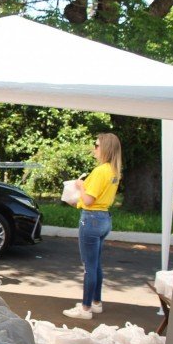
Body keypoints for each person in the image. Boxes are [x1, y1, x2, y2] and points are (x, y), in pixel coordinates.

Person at [63, 132, 122, 320]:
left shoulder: (100, 171)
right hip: (104, 218)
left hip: (91, 218)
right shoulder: (113, 170)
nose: (94, 148)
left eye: (96, 145)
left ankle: (85, 308)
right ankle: (96, 302)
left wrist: (80, 185)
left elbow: (88, 199)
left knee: (89, 267)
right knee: (96, 264)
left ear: (105, 148)